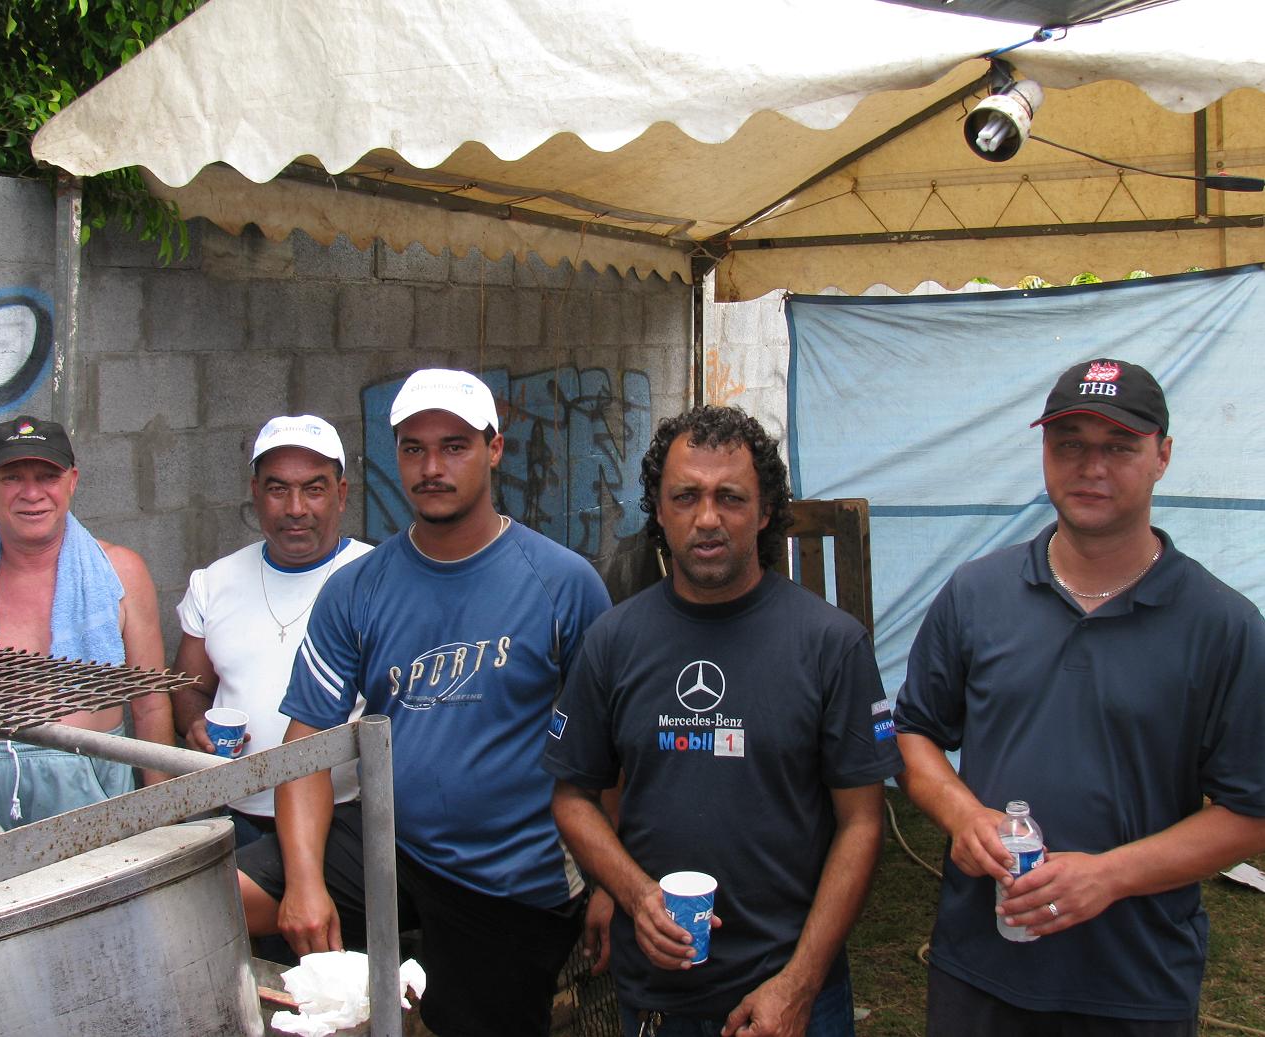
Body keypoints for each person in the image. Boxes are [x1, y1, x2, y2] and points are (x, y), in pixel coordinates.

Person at [235, 369, 613, 1037]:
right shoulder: (358, 587)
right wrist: (303, 881)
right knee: (219, 900)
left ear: (494, 449)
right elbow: (305, 743)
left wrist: (611, 879)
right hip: (391, 838)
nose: (431, 467)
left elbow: (610, 748)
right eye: (413, 448)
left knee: (457, 1021)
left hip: (509, 869)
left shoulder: (561, 582)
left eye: (453, 445)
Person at [894, 358, 1265, 1036]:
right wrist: (962, 813)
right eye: (1068, 444)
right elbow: (914, 730)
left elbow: (1250, 811)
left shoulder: (1222, 626)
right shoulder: (976, 594)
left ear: (1162, 455)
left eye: (1118, 445)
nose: (1090, 465)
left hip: (1133, 979)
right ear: (1042, 452)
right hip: (979, 966)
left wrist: (1110, 875)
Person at [544, 405, 901, 1037]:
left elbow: (861, 823)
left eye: (730, 497)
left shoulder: (830, 645)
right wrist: (631, 894)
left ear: (765, 513)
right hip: (657, 996)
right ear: (657, 508)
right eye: (685, 496)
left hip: (793, 994)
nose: (707, 518)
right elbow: (574, 796)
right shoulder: (613, 642)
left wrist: (799, 984)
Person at [0, 415, 173, 845]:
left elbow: (152, 709)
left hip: (93, 799)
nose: (32, 493)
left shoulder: (120, 576)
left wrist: (164, 834)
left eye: (47, 476)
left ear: (72, 482)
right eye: (12, 477)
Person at [172, 415, 372, 847]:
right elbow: (189, 687)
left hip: (349, 820)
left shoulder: (379, 580)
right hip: (236, 818)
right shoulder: (215, 581)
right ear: (256, 494)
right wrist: (195, 724)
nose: (296, 508)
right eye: (278, 489)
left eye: (314, 489)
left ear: (340, 495)